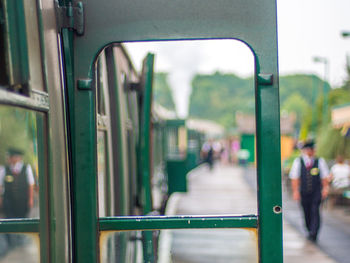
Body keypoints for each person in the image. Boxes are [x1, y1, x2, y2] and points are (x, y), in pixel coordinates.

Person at [289, 140, 330, 242]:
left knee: (315, 210)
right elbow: (295, 178)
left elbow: (324, 177)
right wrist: (295, 191)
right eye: (309, 149)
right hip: (304, 192)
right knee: (306, 211)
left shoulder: (319, 161)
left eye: (312, 149)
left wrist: (325, 188)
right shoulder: (299, 162)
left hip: (316, 192)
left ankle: (314, 232)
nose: (311, 151)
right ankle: (309, 229)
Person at [0, 148, 35, 219]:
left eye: (10, 157)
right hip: (9, 202)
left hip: (23, 201)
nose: (8, 159)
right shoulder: (4, 169)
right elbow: (0, 185)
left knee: (23, 220)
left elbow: (31, 185)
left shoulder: (26, 168)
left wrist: (30, 199)